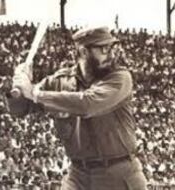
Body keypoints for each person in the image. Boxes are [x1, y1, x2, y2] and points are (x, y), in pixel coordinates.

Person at [8, 26, 147, 190]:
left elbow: (87, 104)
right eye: (103, 49)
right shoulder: (60, 80)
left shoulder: (120, 77)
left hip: (118, 174)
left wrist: (34, 93)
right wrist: (18, 86)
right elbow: (19, 110)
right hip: (78, 174)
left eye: (111, 48)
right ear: (83, 52)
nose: (110, 54)